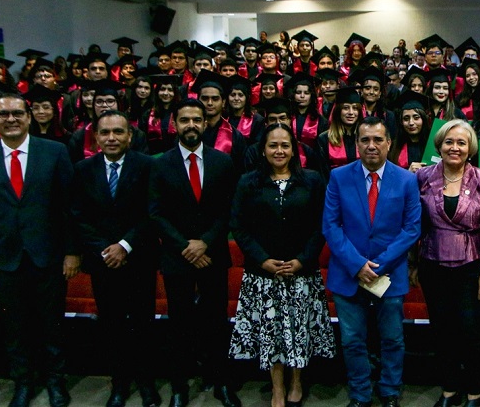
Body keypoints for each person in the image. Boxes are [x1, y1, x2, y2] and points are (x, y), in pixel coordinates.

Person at [0, 93, 77, 407]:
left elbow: (69, 207)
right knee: (15, 328)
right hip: (4, 259)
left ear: (29, 117)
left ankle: (56, 382)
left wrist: (72, 251)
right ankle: (23, 383)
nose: (10, 119)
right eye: (3, 114)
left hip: (48, 256)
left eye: (17, 113)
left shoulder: (54, 152)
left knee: (51, 325)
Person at [229, 123, 335, 407]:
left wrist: (302, 260)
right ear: (262, 150)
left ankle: (297, 382)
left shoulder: (312, 180)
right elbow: (238, 226)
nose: (279, 150)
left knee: (298, 330)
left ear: (294, 150)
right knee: (272, 333)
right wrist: (262, 260)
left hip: (301, 272)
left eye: (285, 145)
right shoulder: (248, 182)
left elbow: (322, 225)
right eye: (273, 145)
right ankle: (277, 388)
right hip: (263, 274)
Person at [321, 116, 421, 407]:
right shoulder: (339, 177)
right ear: (357, 144)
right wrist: (357, 264)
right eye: (365, 140)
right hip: (348, 274)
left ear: (389, 143)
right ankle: (361, 394)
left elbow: (412, 228)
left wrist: (378, 264)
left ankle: (389, 390)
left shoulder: (407, 180)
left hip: (389, 275)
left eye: (378, 139)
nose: (372, 145)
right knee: (352, 341)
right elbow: (331, 226)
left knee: (392, 339)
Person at [148, 98, 241, 407]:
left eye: (196, 120)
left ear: (205, 123)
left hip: (212, 254)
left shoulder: (222, 161)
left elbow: (228, 209)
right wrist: (186, 245)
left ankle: (221, 382)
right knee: (179, 325)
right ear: (175, 123)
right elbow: (156, 213)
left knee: (217, 321)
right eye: (184, 119)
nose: (190, 125)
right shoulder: (159, 163)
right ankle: (179, 387)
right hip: (178, 257)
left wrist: (205, 242)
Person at [70, 110, 161, 407]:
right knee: (111, 323)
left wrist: (125, 245)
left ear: (129, 136)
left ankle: (147, 381)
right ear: (96, 137)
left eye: (118, 132)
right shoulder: (83, 169)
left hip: (139, 257)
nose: (112, 138)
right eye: (105, 132)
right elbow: (78, 216)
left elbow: (153, 212)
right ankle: (119, 383)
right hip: (102, 260)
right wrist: (105, 249)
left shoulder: (147, 166)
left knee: (142, 322)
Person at [414, 120, 480, 407]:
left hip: (472, 265)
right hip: (432, 263)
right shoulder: (422, 177)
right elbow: (416, 224)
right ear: (439, 146)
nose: (455, 147)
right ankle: (450, 390)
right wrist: (413, 263)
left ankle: (475, 391)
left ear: (471, 148)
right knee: (442, 331)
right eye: (449, 142)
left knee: (471, 331)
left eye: (461, 142)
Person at [317, 87, 363, 170]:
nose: (351, 112)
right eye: (346, 108)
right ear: (338, 111)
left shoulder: (365, 138)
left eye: (355, 108)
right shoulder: (324, 139)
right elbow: (323, 172)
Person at [388, 90, 431, 172]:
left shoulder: (433, 146)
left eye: (416, 117)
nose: (411, 123)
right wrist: (408, 172)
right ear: (401, 122)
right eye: (406, 118)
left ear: (423, 119)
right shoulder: (393, 148)